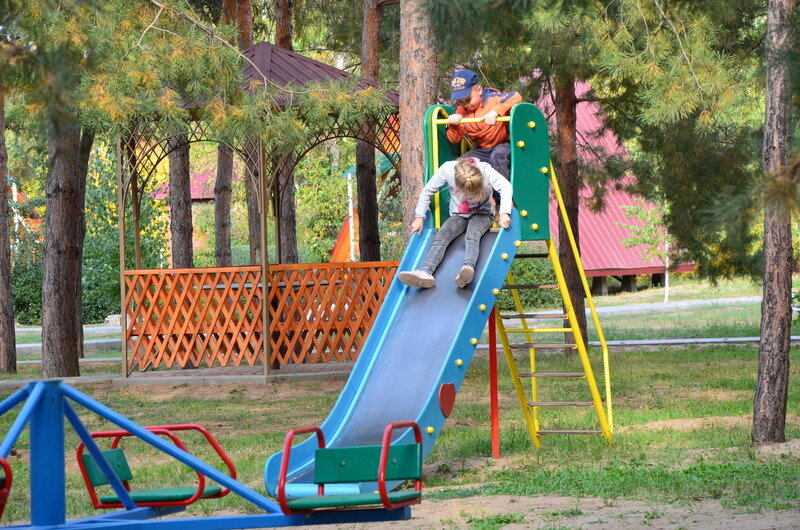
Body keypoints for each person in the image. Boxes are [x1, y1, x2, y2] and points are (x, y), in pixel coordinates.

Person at [398, 158, 513, 289]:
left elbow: (505, 186)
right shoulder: (447, 170)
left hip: (483, 214)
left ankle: (467, 268)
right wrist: (419, 217)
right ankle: (425, 271)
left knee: (472, 234)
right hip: (459, 215)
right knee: (442, 235)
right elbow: (427, 190)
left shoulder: (485, 170)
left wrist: (504, 213)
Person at [446, 69, 523, 181]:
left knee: (497, 156)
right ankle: (470, 192)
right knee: (456, 166)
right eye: (461, 102)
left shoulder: (493, 99)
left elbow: (516, 96)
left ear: (479, 90)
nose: (466, 105)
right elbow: (454, 139)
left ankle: (501, 192)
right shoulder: (460, 110)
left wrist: (495, 112)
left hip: (504, 145)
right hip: (482, 150)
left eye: (468, 99)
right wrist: (454, 125)